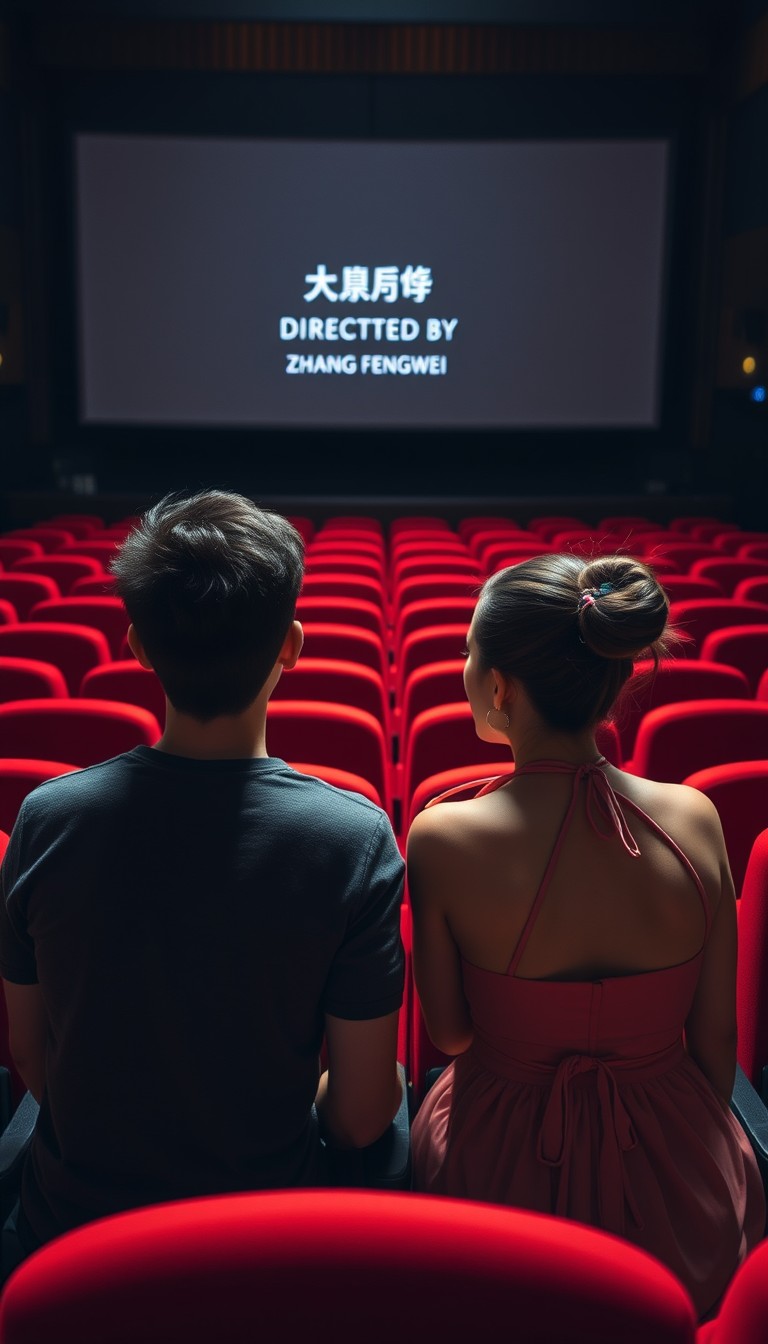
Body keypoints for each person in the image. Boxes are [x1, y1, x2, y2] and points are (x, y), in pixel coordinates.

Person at [0, 490, 404, 1270]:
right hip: (259, 1252)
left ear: (137, 646)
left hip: (73, 1251)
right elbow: (358, 1121)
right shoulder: (353, 839)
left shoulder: (45, 820)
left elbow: (32, 1057)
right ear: (291, 646)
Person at [408, 551, 764, 1321]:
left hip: (499, 1154)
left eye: (469, 653)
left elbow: (451, 1034)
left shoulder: (440, 836)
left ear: (498, 687)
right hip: (675, 1161)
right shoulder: (696, 819)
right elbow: (714, 1044)